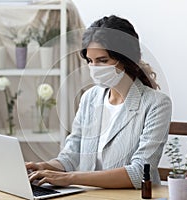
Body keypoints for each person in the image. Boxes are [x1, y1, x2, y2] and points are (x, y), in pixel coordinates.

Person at [26, 15, 172, 189]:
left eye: (103, 60)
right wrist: (44, 167)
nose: (94, 68)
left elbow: (140, 172)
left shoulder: (156, 104)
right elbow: (71, 155)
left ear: (127, 58)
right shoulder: (90, 98)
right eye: (90, 61)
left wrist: (70, 178)